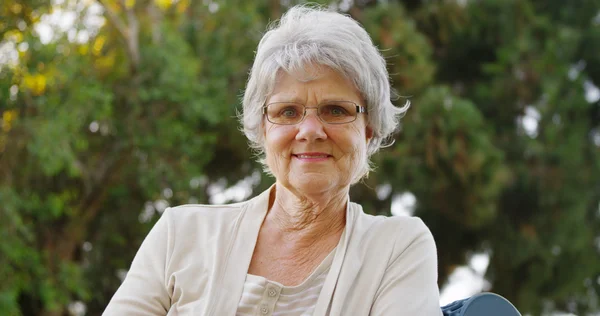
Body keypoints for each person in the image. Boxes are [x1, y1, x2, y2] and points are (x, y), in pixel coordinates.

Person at [104, 4, 442, 315]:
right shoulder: (179, 235)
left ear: (368, 129)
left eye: (335, 110)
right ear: (263, 128)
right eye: (288, 111)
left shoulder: (397, 248)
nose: (310, 130)